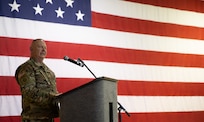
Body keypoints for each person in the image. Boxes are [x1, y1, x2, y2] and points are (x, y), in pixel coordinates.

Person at [15, 39, 60, 122]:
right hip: (33, 118)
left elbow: (52, 91)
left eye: (45, 48)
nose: (43, 50)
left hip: (48, 118)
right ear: (31, 49)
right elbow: (29, 92)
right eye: (40, 47)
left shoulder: (49, 71)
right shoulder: (27, 68)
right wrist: (53, 97)